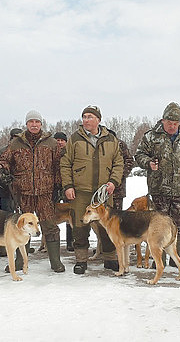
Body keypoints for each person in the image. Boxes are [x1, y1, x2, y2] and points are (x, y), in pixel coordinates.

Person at [135, 102, 180, 269]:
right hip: (159, 189)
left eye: (176, 123)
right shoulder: (151, 137)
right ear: (163, 120)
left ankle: (176, 256)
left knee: (178, 224)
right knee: (158, 226)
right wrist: (149, 163)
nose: (172, 126)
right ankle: (159, 258)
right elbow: (139, 154)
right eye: (169, 123)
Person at [60, 105, 124, 274]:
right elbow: (65, 163)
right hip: (80, 192)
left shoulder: (110, 139)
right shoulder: (75, 139)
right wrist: (68, 185)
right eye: (84, 117)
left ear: (98, 120)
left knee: (106, 227)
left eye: (90, 117)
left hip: (103, 193)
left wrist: (113, 181)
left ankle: (110, 258)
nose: (86, 120)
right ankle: (81, 260)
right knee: (80, 227)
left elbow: (118, 163)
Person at [0, 111, 65, 273]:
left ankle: (55, 261)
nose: (34, 124)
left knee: (50, 226)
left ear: (41, 124)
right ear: (26, 124)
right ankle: (20, 261)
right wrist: (4, 171)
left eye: (37, 122)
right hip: (23, 192)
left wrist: (59, 186)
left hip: (45, 192)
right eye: (31, 122)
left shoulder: (51, 143)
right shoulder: (16, 143)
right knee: (22, 227)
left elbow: (59, 165)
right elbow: (3, 160)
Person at [0, 128, 22, 214]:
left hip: (22, 192)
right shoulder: (1, 153)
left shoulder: (26, 154)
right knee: (6, 217)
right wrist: (7, 184)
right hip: (6, 192)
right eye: (15, 138)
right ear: (11, 139)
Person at [53, 131, 74, 251]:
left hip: (67, 185)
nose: (60, 142)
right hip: (54, 187)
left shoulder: (69, 152)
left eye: (62, 140)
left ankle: (70, 242)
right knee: (51, 214)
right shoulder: (51, 152)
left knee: (70, 213)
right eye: (58, 140)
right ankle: (49, 243)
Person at [109, 130, 134, 210]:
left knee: (117, 216)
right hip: (100, 189)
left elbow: (129, 161)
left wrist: (120, 176)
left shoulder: (120, 145)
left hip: (118, 189)